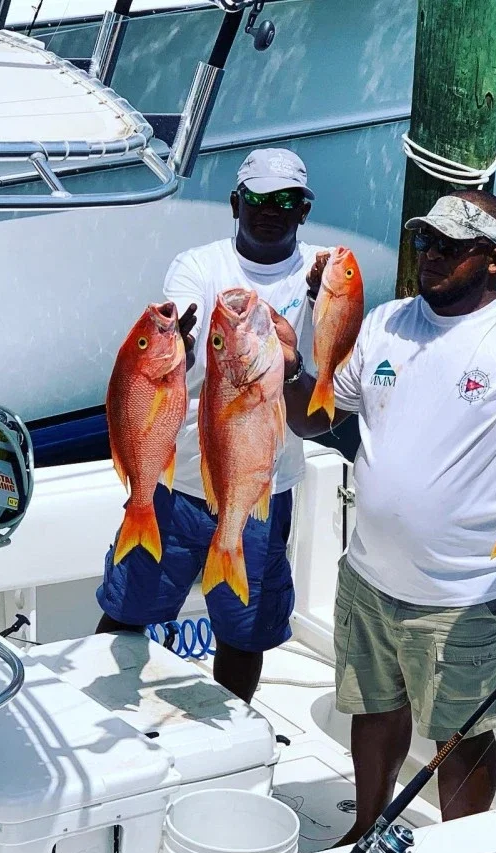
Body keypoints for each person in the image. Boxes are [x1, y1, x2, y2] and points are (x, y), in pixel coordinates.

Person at [273, 189, 496, 843]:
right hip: (369, 576)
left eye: (451, 246)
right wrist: (292, 369)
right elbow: (316, 418)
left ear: (493, 259)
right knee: (372, 709)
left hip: (465, 591)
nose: (431, 256)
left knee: (462, 735)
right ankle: (365, 827)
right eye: (425, 240)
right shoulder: (385, 323)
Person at [95, 148, 329, 704]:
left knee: (244, 633)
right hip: (177, 487)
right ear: (234, 204)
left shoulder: (323, 274)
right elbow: (176, 327)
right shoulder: (199, 266)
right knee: (127, 610)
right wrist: (182, 338)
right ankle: (110, 708)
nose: (269, 209)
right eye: (257, 198)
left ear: (303, 209)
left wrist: (321, 309)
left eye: (285, 200)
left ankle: (230, 735)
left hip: (261, 490)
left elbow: (325, 395)